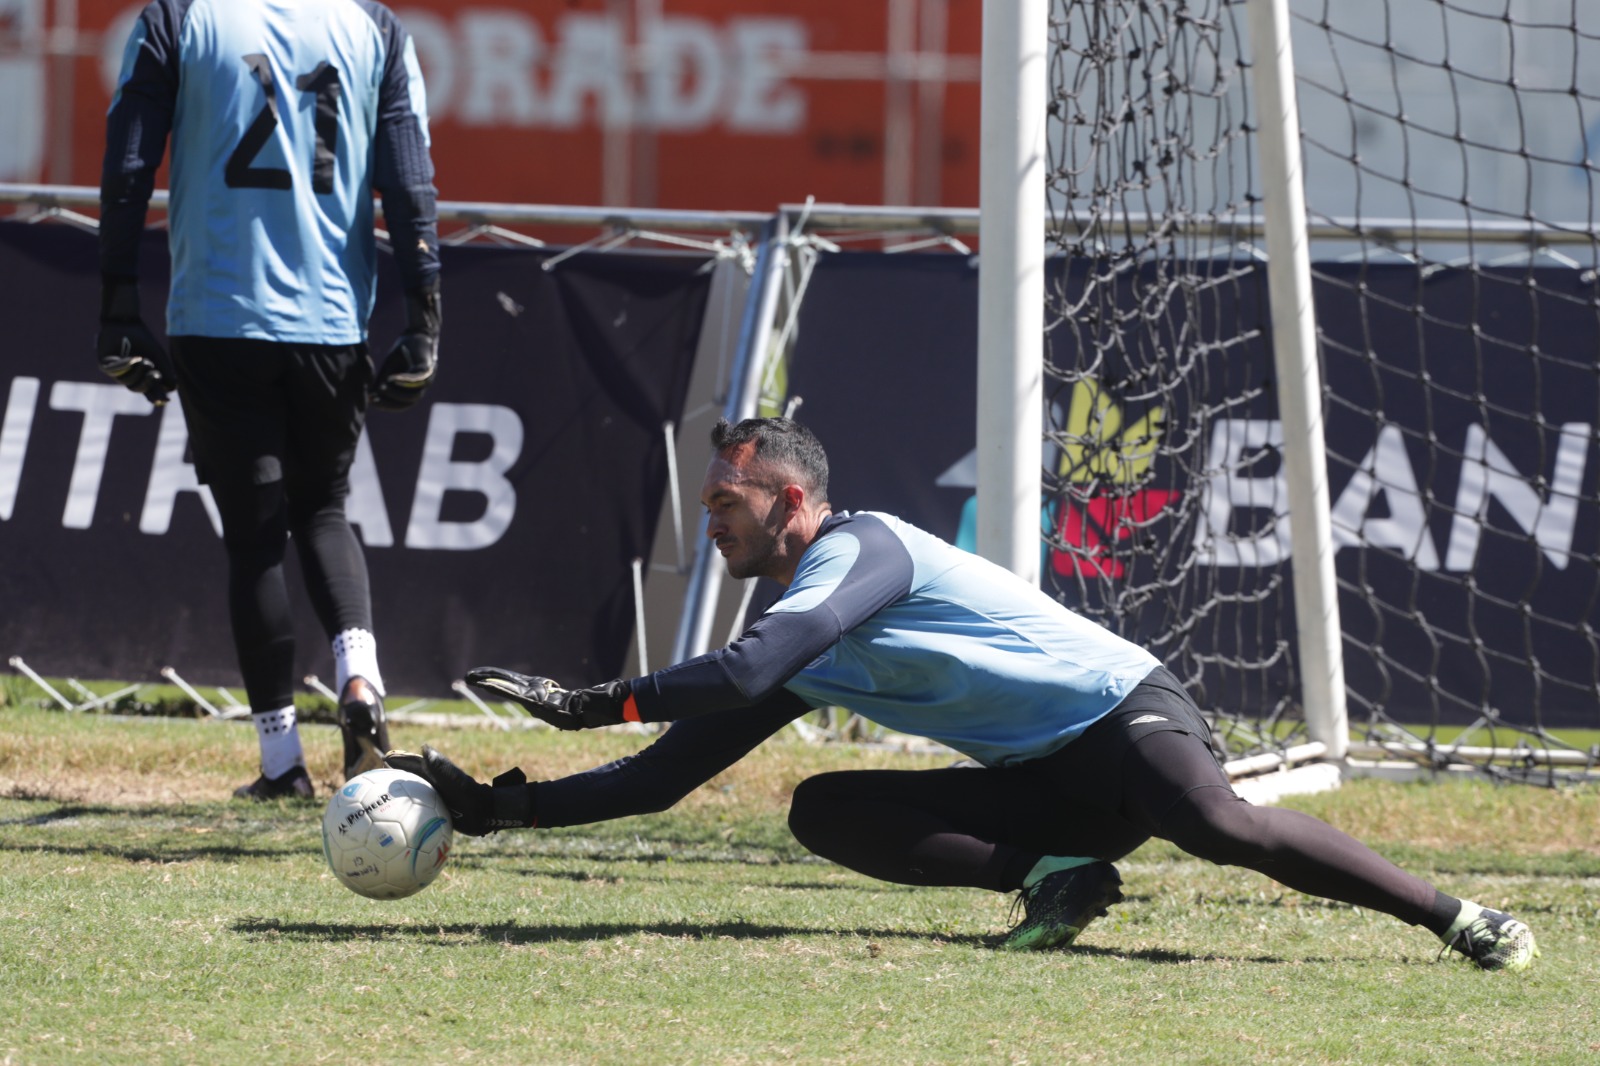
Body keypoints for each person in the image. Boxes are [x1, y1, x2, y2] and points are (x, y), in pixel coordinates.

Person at [388, 417, 1538, 972]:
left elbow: (733, 674)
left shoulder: (866, 548)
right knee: (820, 809)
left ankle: (1455, 917)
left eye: (727, 497)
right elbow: (661, 780)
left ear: (792, 500)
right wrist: (505, 811)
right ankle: (1058, 877)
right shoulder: (798, 624)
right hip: (1047, 785)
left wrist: (597, 698)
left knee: (1215, 823)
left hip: (1122, 714)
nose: (711, 514)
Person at [98, 0, 442, 799]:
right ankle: (360, 673)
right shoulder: (377, 29)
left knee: (253, 543)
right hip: (331, 321)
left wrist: (117, 306)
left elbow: (128, 165)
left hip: (217, 317)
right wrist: (424, 318)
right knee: (322, 509)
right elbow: (410, 182)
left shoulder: (175, 19)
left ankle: (282, 763)